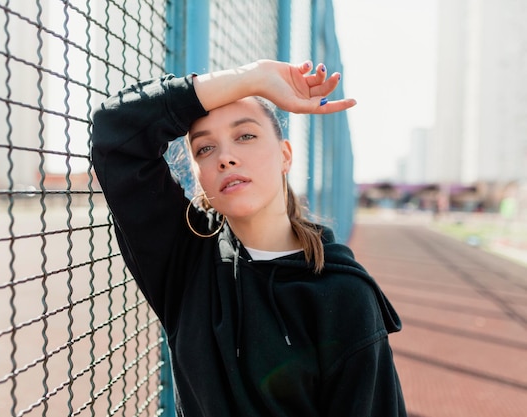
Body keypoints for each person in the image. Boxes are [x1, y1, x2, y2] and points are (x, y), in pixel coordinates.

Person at [91, 59, 407, 416]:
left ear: (285, 156)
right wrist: (252, 77)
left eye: (245, 136)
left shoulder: (345, 295)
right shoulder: (186, 263)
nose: (225, 157)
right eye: (205, 149)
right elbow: (114, 132)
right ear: (200, 178)